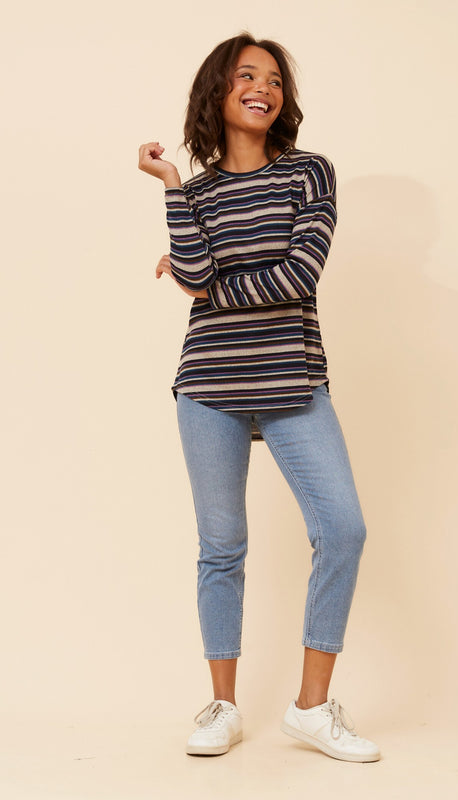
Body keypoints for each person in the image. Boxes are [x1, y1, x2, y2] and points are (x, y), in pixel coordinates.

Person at [138, 32, 380, 763]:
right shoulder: (197, 192)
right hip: (208, 385)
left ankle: (311, 709)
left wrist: (206, 288)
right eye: (247, 76)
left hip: (292, 382)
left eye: (273, 80)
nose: (262, 88)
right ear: (218, 91)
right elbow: (193, 267)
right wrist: (171, 185)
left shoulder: (309, 173)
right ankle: (222, 706)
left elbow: (298, 275)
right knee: (221, 549)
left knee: (342, 529)